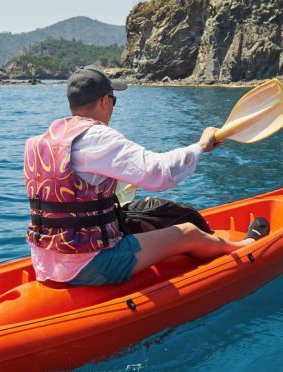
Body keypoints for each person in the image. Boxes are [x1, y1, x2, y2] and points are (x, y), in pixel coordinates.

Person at [24, 64, 256, 286]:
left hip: (44, 263)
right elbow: (159, 174)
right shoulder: (98, 137)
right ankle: (243, 247)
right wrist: (201, 147)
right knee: (187, 233)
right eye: (114, 100)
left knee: (140, 216)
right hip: (88, 265)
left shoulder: (40, 142)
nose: (113, 107)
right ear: (105, 101)